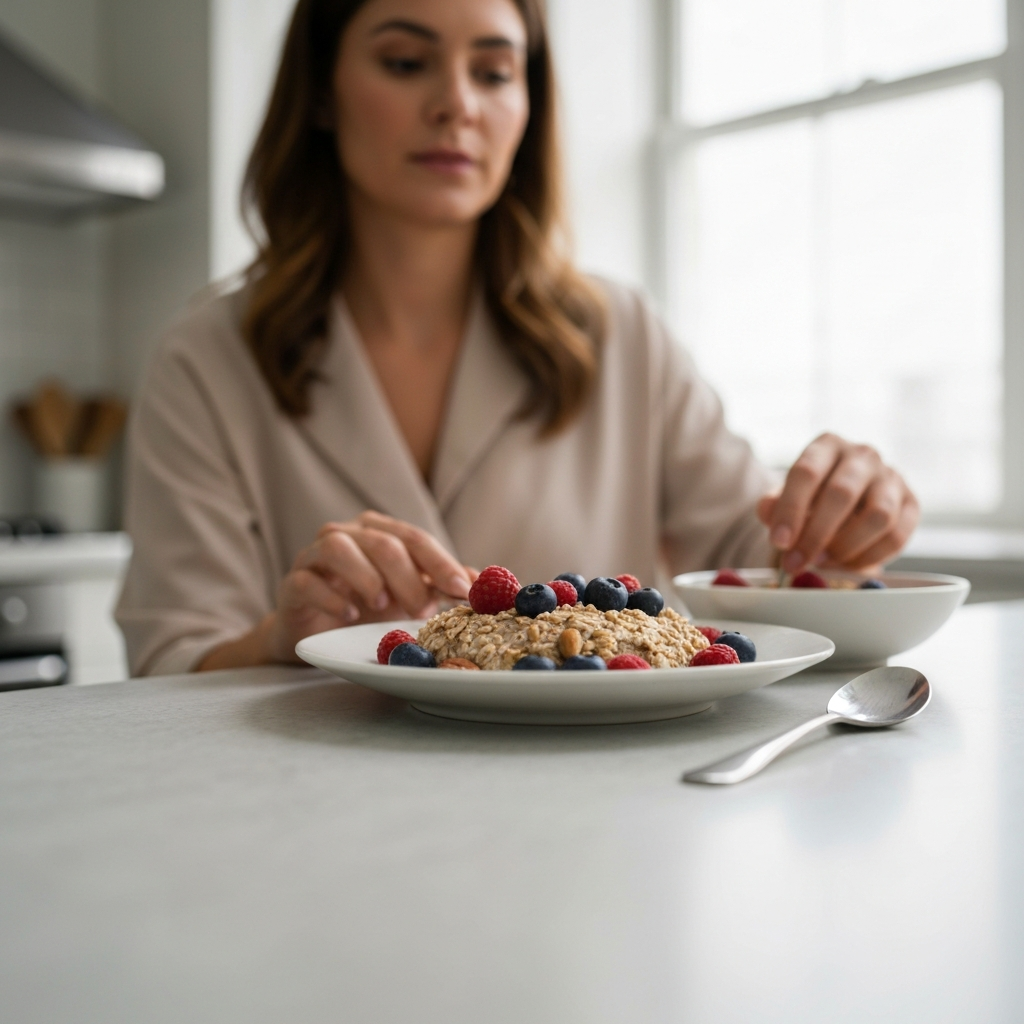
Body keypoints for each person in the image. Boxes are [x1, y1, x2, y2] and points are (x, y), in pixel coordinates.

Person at [115, 0, 918, 677]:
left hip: (602, 819)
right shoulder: (207, 358)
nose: (458, 104)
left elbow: (763, 561)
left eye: (495, 71)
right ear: (321, 92)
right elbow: (168, 662)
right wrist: (281, 638)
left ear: (529, 105)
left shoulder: (622, 335)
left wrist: (844, 518)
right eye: (404, 62)